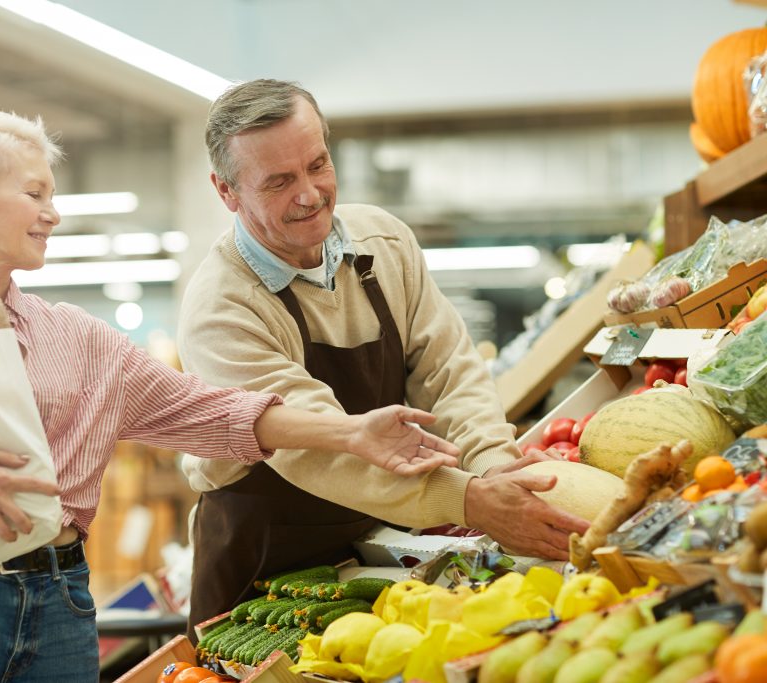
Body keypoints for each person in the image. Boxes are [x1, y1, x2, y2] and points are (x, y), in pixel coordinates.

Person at [0, 110, 462, 683]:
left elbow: (213, 412)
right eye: (35, 193)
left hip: (58, 599)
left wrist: (352, 431)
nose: (53, 213)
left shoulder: (79, 340)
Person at [177, 79, 592, 631]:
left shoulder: (385, 243)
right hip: (263, 554)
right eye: (279, 182)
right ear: (226, 192)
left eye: (318, 164)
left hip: (383, 538)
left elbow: (448, 373)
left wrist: (495, 465)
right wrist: (472, 500)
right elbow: (317, 446)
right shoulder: (221, 307)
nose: (310, 193)